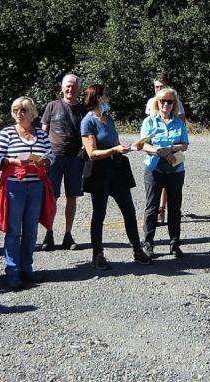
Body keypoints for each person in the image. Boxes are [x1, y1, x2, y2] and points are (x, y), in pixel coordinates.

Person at [81, 84, 152, 269]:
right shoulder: (87, 122)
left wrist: (130, 147)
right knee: (99, 214)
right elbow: (91, 153)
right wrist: (114, 150)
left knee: (129, 210)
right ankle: (97, 254)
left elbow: (116, 144)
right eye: (106, 95)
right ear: (98, 98)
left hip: (117, 171)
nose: (108, 98)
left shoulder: (109, 118)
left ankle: (137, 250)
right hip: (99, 172)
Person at [0, 96, 55, 289]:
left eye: (23, 110)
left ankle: (27, 268)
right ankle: (12, 271)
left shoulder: (41, 134)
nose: (18, 113)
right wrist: (14, 161)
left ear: (32, 113)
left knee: (31, 230)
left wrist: (45, 161)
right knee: (13, 231)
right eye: (15, 110)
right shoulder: (7, 133)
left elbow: (52, 155)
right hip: (14, 187)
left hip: (36, 186)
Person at [140, 87, 190, 258]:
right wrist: (159, 151)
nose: (166, 104)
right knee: (151, 207)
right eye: (162, 101)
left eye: (170, 101)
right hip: (154, 168)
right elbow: (143, 145)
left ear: (174, 104)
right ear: (157, 102)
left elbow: (184, 145)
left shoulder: (179, 123)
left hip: (176, 168)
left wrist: (169, 149)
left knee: (175, 207)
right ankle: (148, 243)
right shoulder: (149, 122)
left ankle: (175, 243)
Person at [39, 74, 86, 251]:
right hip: (54, 158)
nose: (70, 89)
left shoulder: (83, 109)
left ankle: (68, 234)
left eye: (74, 86)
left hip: (75, 158)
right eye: (68, 86)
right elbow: (43, 132)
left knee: (72, 197)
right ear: (62, 87)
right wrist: (42, 155)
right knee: (52, 197)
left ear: (79, 89)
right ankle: (49, 233)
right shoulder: (52, 106)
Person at [144, 74, 186, 224]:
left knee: (173, 180)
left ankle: (163, 207)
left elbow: (183, 135)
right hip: (156, 152)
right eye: (156, 87)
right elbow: (147, 136)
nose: (158, 89)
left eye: (161, 87)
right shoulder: (151, 103)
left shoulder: (177, 101)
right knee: (156, 182)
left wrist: (171, 149)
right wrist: (160, 151)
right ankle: (158, 211)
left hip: (175, 151)